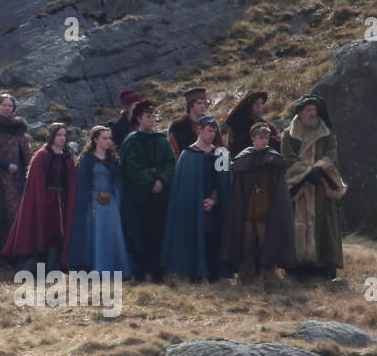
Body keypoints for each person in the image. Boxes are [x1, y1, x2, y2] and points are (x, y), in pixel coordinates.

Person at [221, 121, 296, 285]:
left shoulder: (274, 160)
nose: (264, 141)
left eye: (266, 137)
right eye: (260, 137)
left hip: (267, 211)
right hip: (247, 210)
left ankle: (270, 278)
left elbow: (280, 190)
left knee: (268, 243)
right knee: (246, 245)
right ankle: (245, 278)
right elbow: (238, 187)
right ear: (253, 138)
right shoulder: (243, 160)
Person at [281, 94, 347, 280]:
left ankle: (326, 265)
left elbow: (332, 154)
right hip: (299, 188)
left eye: (314, 110)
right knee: (297, 225)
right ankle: (297, 267)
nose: (312, 113)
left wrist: (319, 170)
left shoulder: (327, 134)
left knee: (325, 224)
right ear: (300, 112)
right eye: (308, 110)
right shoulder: (289, 134)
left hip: (321, 185)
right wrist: (305, 172)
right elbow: (287, 156)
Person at [162, 115, 231, 281]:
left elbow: (224, 182)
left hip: (214, 205)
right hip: (194, 205)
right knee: (195, 234)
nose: (212, 135)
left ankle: (215, 273)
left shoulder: (221, 154)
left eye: (214, 131)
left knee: (214, 236)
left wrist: (213, 199)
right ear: (200, 130)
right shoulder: (188, 155)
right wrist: (197, 200)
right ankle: (195, 273)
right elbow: (185, 186)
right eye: (209, 131)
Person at [3, 123, 77, 273]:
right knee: (43, 232)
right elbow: (35, 183)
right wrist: (41, 201)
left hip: (61, 200)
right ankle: (36, 269)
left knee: (58, 234)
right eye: (59, 135)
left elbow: (71, 181)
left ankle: (54, 267)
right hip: (45, 200)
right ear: (51, 137)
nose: (62, 138)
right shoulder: (42, 155)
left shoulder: (67, 156)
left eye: (64, 135)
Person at [120, 100, 176, 282]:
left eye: (153, 116)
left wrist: (161, 180)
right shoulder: (131, 141)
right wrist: (150, 183)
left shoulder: (161, 139)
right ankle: (140, 271)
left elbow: (170, 162)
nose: (152, 120)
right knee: (139, 233)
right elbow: (132, 168)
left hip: (160, 197)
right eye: (147, 117)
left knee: (158, 233)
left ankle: (158, 271)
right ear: (138, 119)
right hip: (139, 197)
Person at [68, 126, 133, 276]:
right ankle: (98, 269)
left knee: (113, 233)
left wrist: (117, 199)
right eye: (104, 138)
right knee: (97, 234)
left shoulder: (112, 159)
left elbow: (117, 182)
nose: (108, 141)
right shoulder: (87, 159)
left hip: (111, 202)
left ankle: (116, 268)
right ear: (95, 139)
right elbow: (83, 184)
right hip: (94, 203)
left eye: (110, 138)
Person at [0, 93, 31, 251]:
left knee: (19, 213)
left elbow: (25, 155)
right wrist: (4, 165)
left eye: (10, 106)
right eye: (4, 105)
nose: (7, 108)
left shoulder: (18, 127)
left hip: (18, 178)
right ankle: (3, 252)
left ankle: (19, 250)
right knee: (3, 214)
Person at [167, 87, 222, 159]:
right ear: (190, 105)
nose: (203, 105)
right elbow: (174, 154)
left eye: (204, 103)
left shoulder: (211, 123)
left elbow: (220, 147)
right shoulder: (177, 126)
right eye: (199, 103)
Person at [224, 90, 281, 155]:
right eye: (256, 103)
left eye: (261, 103)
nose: (259, 107)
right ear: (249, 106)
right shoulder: (238, 125)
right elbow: (235, 148)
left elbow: (279, 147)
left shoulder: (268, 126)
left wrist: (270, 140)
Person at [106, 89, 142, 153]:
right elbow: (114, 149)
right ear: (128, 107)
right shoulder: (115, 125)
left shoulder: (143, 121)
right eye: (136, 105)